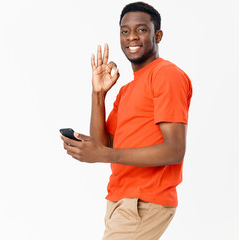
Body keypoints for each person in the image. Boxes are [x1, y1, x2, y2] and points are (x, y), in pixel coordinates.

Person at [60, 2, 192, 239]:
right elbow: (105, 145)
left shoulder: (166, 75)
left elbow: (175, 150)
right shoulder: (127, 90)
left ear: (158, 35)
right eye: (124, 31)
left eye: (141, 29)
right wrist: (98, 94)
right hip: (120, 200)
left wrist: (104, 154)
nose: (132, 36)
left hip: (143, 201)